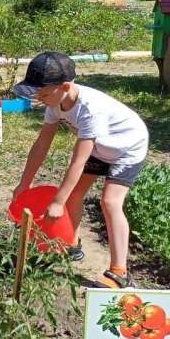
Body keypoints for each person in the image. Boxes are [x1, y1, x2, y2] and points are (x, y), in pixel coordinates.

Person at [11, 52, 148, 289]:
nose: (38, 98)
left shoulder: (90, 110)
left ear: (64, 86)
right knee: (74, 195)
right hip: (101, 147)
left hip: (126, 147)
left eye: (42, 93)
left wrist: (57, 201)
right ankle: (71, 245)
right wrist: (24, 183)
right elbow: (42, 144)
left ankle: (119, 272)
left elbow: (79, 160)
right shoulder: (55, 102)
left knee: (110, 202)